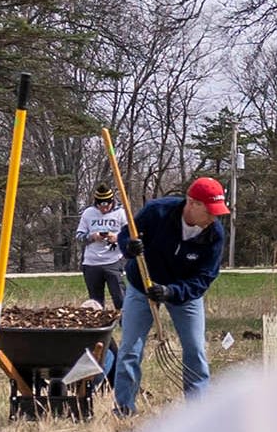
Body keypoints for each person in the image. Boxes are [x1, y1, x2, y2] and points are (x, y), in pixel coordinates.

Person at [112, 175, 229, 413]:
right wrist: (129, 247)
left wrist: (170, 292)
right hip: (141, 285)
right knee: (129, 350)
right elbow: (127, 234)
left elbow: (204, 278)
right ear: (192, 203)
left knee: (195, 348)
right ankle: (124, 408)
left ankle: (198, 411)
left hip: (184, 293)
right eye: (210, 210)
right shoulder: (158, 212)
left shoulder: (214, 234)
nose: (214, 217)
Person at [73, 189, 132, 310]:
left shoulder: (121, 213)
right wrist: (92, 237)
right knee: (95, 303)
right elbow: (79, 237)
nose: (103, 209)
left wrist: (117, 238)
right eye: (100, 206)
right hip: (91, 263)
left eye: (107, 205)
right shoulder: (88, 213)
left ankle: (124, 324)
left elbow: (131, 235)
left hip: (114, 261)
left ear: (112, 202)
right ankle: (99, 327)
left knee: (120, 297)